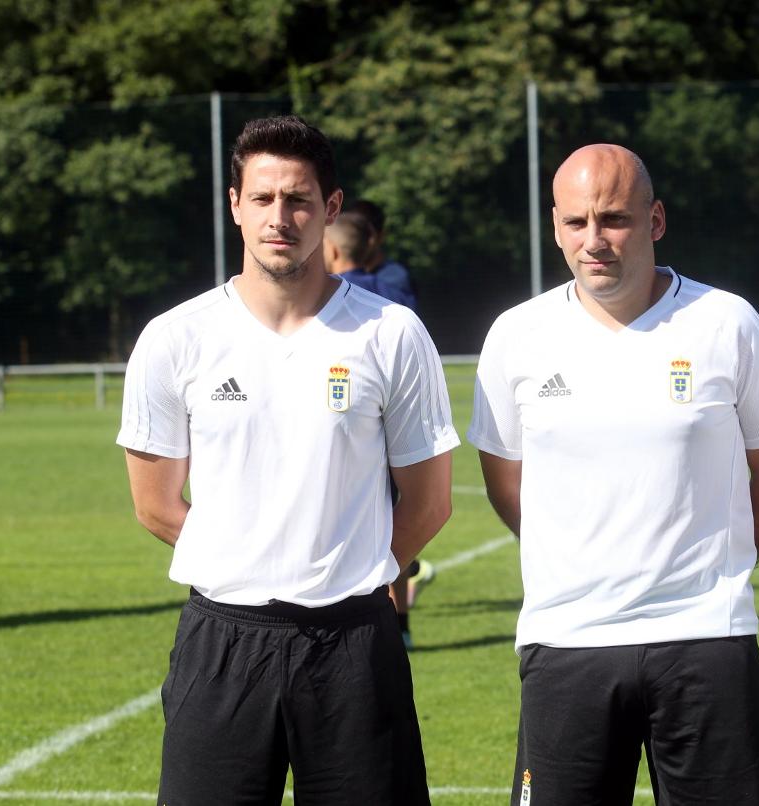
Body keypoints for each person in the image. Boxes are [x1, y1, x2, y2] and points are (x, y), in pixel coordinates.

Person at [117, 115, 458, 805]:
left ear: (330, 209)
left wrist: (346, 569)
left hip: (355, 643)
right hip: (222, 639)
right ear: (236, 205)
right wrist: (254, 560)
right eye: (263, 198)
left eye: (299, 200)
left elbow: (429, 502)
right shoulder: (175, 338)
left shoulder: (391, 334)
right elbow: (154, 504)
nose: (280, 217)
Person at [468, 144, 759, 805]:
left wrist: (719, 564)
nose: (594, 240)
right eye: (576, 221)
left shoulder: (727, 323)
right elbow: (507, 484)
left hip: (705, 637)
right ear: (556, 227)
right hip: (567, 640)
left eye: (614, 219)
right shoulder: (517, 335)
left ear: (655, 220)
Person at [325, 209, 436, 645]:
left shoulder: (329, 297)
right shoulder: (394, 290)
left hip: (349, 425)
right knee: (395, 519)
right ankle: (400, 624)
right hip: (398, 421)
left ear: (332, 250)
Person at [352, 199, 418, 310]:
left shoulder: (394, 276)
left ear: (379, 236)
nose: (354, 242)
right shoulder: (338, 273)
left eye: (362, 235)